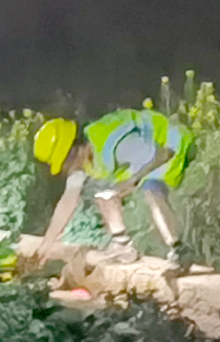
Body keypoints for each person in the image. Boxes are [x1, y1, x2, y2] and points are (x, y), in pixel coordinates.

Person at [33, 105, 191, 263]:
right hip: (142, 159)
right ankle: (122, 245)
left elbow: (160, 154)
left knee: (150, 187)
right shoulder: (84, 160)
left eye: (65, 163)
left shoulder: (118, 145)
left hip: (171, 147)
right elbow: (68, 201)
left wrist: (132, 181)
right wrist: (45, 246)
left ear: (75, 150)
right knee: (103, 191)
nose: (66, 169)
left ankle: (178, 249)